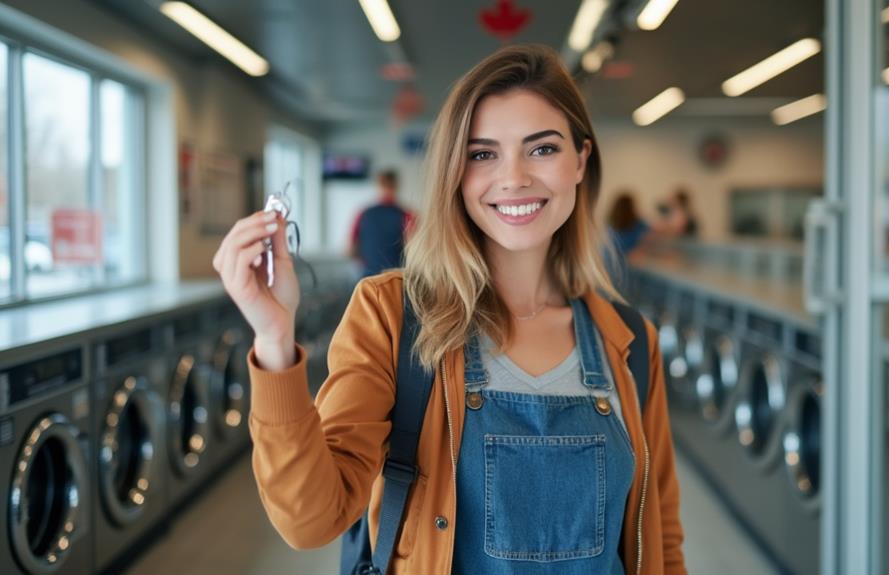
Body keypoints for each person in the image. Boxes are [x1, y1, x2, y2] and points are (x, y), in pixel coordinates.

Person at [212, 44, 686, 574]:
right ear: (455, 174)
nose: (513, 178)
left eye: (542, 149)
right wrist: (274, 342)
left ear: (580, 159)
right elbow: (311, 519)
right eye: (483, 154)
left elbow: (661, 534)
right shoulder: (392, 314)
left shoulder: (630, 342)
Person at [348, 169, 415, 277]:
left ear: (378, 185)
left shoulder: (363, 214)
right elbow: (415, 253)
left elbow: (350, 250)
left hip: (368, 277)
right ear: (396, 186)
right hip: (396, 279)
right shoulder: (407, 216)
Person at [607, 191, 650, 257]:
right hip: (627, 257)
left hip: (610, 256)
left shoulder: (610, 220)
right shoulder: (637, 222)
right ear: (631, 207)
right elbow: (652, 231)